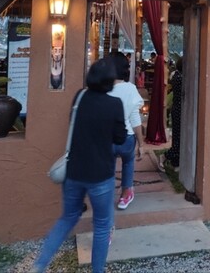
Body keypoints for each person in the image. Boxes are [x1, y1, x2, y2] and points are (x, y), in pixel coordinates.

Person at [31, 58, 127, 273]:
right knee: (102, 225)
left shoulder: (79, 97)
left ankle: (39, 264)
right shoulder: (114, 105)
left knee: (67, 218)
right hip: (101, 173)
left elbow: (73, 123)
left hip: (74, 170)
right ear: (110, 80)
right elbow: (120, 138)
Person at [108, 55, 145, 210]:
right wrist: (141, 144)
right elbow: (135, 119)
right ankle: (125, 194)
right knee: (128, 162)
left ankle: (107, 195)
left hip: (108, 139)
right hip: (126, 138)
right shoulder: (130, 89)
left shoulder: (103, 89)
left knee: (109, 166)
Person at [159, 57, 183, 172]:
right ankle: (164, 157)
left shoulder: (177, 76)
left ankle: (175, 162)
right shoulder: (180, 78)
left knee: (178, 137)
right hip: (179, 110)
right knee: (179, 139)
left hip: (177, 109)